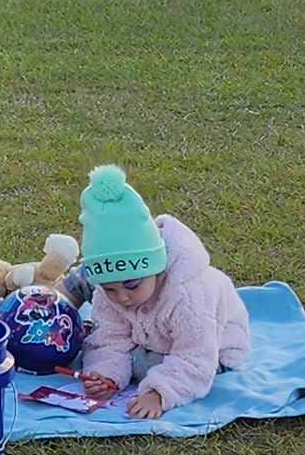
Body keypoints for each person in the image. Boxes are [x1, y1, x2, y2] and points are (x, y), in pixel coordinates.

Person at [71, 163, 252, 424]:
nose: (122, 297)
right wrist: (106, 375)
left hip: (216, 348)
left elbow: (195, 357)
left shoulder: (188, 297)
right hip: (151, 340)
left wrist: (159, 393)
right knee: (105, 352)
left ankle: (162, 378)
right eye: (109, 289)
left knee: (144, 367)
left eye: (132, 285)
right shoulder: (112, 291)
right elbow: (109, 338)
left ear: (156, 268)